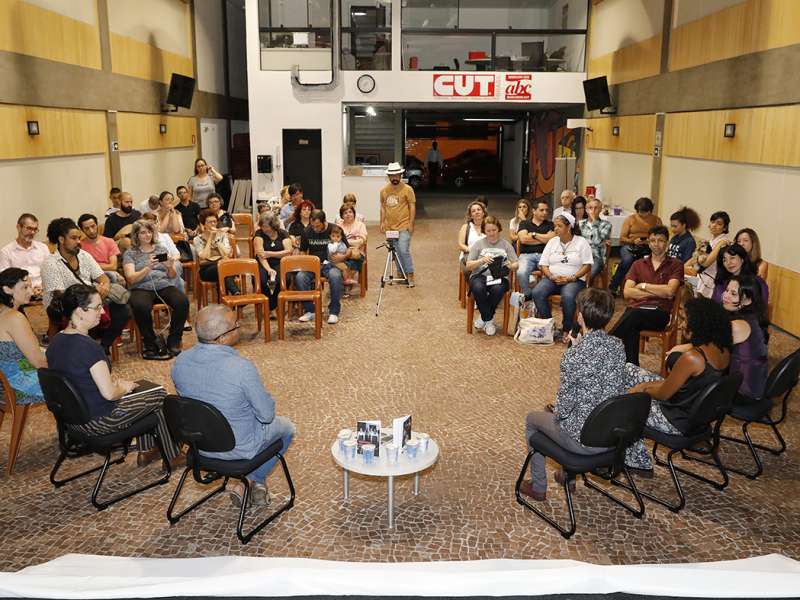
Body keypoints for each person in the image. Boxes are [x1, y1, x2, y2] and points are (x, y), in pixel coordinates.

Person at [172, 304, 295, 507]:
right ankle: (252, 480)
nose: (239, 326)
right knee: (287, 428)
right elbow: (266, 415)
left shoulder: (180, 362)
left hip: (199, 446)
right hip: (238, 448)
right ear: (222, 338)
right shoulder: (241, 368)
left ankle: (248, 483)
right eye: (235, 325)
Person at [46, 284, 182, 467]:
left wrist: (118, 385)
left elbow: (77, 378)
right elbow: (109, 394)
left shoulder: (56, 341)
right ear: (80, 311)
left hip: (72, 421)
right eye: (97, 307)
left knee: (141, 390)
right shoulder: (89, 347)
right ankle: (172, 455)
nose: (102, 312)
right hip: (99, 421)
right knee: (159, 396)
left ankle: (148, 451)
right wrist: (123, 387)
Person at [519, 288, 626, 501]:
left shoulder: (574, 357)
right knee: (554, 411)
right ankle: (567, 476)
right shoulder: (618, 345)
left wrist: (573, 353)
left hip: (584, 441)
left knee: (533, 419)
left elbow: (564, 410)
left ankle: (539, 487)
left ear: (579, 316)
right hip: (612, 433)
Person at [628, 297, 731, 439]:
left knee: (620, 400)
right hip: (694, 414)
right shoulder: (724, 350)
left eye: (685, 320)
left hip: (674, 420)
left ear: (698, 324)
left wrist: (642, 388)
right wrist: (645, 385)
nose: (681, 325)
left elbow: (663, 395)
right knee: (630, 369)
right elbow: (676, 385)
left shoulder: (693, 358)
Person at [41, 218, 130, 355]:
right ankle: (85, 349)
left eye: (78, 238)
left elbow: (103, 278)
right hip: (63, 305)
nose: (78, 241)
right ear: (61, 239)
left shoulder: (84, 256)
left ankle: (103, 345)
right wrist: (94, 292)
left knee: (124, 310)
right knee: (87, 310)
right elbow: (61, 294)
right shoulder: (50, 263)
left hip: (90, 298)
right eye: (73, 238)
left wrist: (105, 287)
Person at [609, 225, 684, 365]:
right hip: (635, 309)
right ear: (648, 242)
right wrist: (658, 291)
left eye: (661, 240)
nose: (656, 244)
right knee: (632, 324)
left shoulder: (676, 264)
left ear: (667, 243)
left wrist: (643, 286)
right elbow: (627, 292)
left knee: (633, 316)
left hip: (659, 313)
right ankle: (632, 368)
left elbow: (670, 291)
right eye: (653, 240)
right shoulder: (638, 264)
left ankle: (606, 343)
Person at [122, 219, 189, 359]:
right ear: (136, 235)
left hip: (163, 284)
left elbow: (171, 276)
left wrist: (169, 266)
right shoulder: (130, 253)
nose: (147, 235)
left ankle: (174, 340)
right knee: (141, 306)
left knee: (182, 301)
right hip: (140, 287)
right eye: (143, 233)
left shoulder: (160, 249)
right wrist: (148, 268)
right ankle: (150, 342)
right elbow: (131, 278)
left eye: (149, 232)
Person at [531, 213, 594, 343]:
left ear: (569, 227)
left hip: (574, 280)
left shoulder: (581, 242)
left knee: (568, 296)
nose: (555, 229)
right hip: (552, 278)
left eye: (559, 226)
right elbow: (543, 264)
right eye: (555, 226)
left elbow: (587, 265)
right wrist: (551, 276)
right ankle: (550, 326)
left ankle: (567, 329)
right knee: (537, 292)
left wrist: (573, 277)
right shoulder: (552, 242)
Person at [464, 216, 518, 336]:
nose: (492, 233)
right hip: (479, 276)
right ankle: (489, 320)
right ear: (484, 231)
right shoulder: (478, 244)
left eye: (494, 230)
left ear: (498, 229)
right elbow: (468, 265)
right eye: (488, 231)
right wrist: (482, 260)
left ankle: (484, 318)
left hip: (499, 277)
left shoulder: (506, 245)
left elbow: (516, 264)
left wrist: (510, 265)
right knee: (478, 288)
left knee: (498, 289)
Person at [0, 268, 46, 405]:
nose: (31, 292)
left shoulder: (4, 312)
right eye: (25, 287)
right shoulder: (14, 318)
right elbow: (39, 362)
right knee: (79, 380)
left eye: (31, 287)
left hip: (4, 386)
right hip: (19, 386)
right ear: (7, 289)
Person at [296, 210, 349, 325]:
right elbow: (303, 251)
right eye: (313, 226)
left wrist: (343, 257)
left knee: (335, 276)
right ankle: (311, 310)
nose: (315, 228)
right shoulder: (307, 231)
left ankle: (334, 312)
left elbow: (348, 248)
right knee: (300, 277)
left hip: (331, 264)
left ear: (324, 222)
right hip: (313, 264)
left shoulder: (335, 229)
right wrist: (304, 261)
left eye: (318, 226)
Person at [609, 197, 662, 294]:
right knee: (627, 260)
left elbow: (660, 236)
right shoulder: (630, 219)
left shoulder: (656, 220)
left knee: (651, 261)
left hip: (649, 247)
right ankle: (613, 287)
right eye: (640, 212)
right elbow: (622, 238)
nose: (642, 215)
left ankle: (648, 290)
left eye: (645, 212)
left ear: (650, 210)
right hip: (629, 246)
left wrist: (650, 242)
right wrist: (633, 241)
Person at [380, 162, 417, 287]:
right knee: (394, 251)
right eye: (392, 175)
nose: (394, 178)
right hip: (390, 227)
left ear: (400, 175)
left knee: (403, 249)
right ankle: (401, 273)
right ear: (389, 176)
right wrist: (382, 222)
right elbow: (383, 207)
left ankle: (410, 274)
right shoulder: (384, 191)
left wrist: (411, 223)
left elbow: (412, 206)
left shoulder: (408, 189)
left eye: (397, 175)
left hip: (404, 225)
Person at [0, 214, 50, 297]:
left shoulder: (43, 248)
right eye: (29, 228)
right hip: (20, 297)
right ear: (19, 227)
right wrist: (29, 289)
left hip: (43, 293)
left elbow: (50, 272)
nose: (32, 232)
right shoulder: (6, 252)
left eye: (35, 229)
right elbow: (5, 281)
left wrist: (43, 287)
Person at [516, 200, 556, 299]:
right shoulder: (524, 223)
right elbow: (523, 239)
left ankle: (542, 295)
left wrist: (534, 235)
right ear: (534, 211)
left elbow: (551, 239)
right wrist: (544, 239)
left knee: (554, 272)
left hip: (545, 255)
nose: (545, 213)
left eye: (546, 210)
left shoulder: (550, 224)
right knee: (521, 272)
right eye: (541, 210)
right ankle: (529, 295)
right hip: (526, 255)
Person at [253, 213, 292, 312]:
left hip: (280, 262)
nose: (264, 229)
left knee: (283, 280)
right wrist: (269, 269)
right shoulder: (259, 234)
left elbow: (289, 251)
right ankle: (270, 306)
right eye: (262, 226)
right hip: (263, 263)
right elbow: (261, 255)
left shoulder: (283, 233)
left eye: (266, 226)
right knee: (262, 280)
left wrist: (270, 254)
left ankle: (274, 304)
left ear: (273, 225)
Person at [685, 211, 730, 298]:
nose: (714, 225)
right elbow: (695, 258)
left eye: (719, 224)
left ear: (725, 228)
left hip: (711, 279)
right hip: (702, 275)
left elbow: (706, 263)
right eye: (713, 222)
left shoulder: (723, 242)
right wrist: (682, 267)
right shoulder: (711, 240)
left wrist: (697, 258)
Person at [711, 243, 769, 308]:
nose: (729, 263)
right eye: (724, 260)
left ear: (742, 259)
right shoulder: (721, 281)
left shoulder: (757, 282)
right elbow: (713, 305)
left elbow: (761, 309)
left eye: (732, 258)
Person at [194, 209, 236, 295]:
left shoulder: (222, 235)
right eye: (210, 222)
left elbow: (227, 253)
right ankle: (235, 293)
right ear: (203, 224)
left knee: (224, 273)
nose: (213, 224)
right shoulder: (197, 239)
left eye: (215, 221)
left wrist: (217, 240)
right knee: (224, 269)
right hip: (206, 269)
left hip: (223, 266)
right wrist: (210, 238)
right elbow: (204, 256)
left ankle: (234, 294)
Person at [77, 214, 122, 282]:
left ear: (97, 225)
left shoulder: (109, 241)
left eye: (93, 226)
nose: (91, 231)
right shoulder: (79, 246)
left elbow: (113, 266)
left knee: (114, 277)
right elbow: (82, 268)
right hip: (90, 277)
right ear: (82, 230)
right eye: (87, 228)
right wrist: (105, 266)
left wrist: (92, 266)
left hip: (109, 274)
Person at [579, 197, 612, 281]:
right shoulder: (580, 224)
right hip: (580, 255)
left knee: (587, 276)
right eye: (590, 208)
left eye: (596, 208)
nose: (593, 210)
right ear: (586, 209)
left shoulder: (606, 225)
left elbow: (597, 241)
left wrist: (594, 222)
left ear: (600, 210)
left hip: (597, 257)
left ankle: (585, 290)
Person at [336, 203, 368, 287]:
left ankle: (346, 283)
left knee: (352, 262)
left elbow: (361, 241)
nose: (348, 214)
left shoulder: (360, 225)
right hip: (342, 253)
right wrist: (353, 242)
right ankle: (346, 282)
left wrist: (345, 241)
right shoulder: (339, 226)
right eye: (345, 213)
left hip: (357, 254)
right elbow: (335, 240)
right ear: (342, 215)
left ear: (354, 213)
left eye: (350, 212)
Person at [457, 200, 487, 265]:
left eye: (479, 210)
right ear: (471, 216)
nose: (476, 212)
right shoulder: (466, 227)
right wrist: (471, 251)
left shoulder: (489, 227)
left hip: (486, 256)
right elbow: (460, 245)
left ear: (483, 213)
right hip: (470, 258)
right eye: (473, 211)